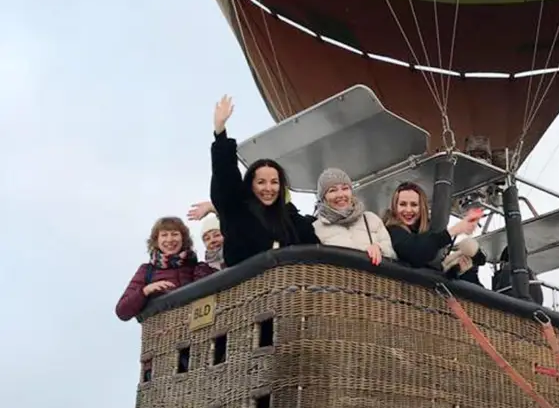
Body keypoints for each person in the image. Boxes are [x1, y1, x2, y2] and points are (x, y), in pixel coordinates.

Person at [210, 95, 318, 267]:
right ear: (250, 185)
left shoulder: (293, 220)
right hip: (249, 289)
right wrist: (220, 133)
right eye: (261, 182)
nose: (269, 188)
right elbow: (225, 179)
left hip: (292, 290)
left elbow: (316, 251)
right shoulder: (237, 213)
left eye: (274, 182)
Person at [382, 183, 485, 282]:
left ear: (421, 207)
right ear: (395, 207)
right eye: (403, 204)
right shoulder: (392, 231)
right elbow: (414, 253)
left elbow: (433, 269)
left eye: (414, 205)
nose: (408, 209)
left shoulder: (427, 235)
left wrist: (457, 270)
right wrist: (454, 231)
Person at [116, 216, 213, 321]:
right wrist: (145, 290)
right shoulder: (147, 271)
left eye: (175, 234)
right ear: (156, 240)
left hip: (196, 330)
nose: (170, 239)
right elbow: (122, 312)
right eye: (164, 235)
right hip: (162, 333)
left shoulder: (198, 267)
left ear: (183, 239)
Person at [313, 168, 395, 265]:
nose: (340, 194)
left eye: (345, 188)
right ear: (323, 197)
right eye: (332, 190)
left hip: (371, 279)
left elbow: (392, 254)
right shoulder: (316, 228)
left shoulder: (371, 219)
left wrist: (379, 248)